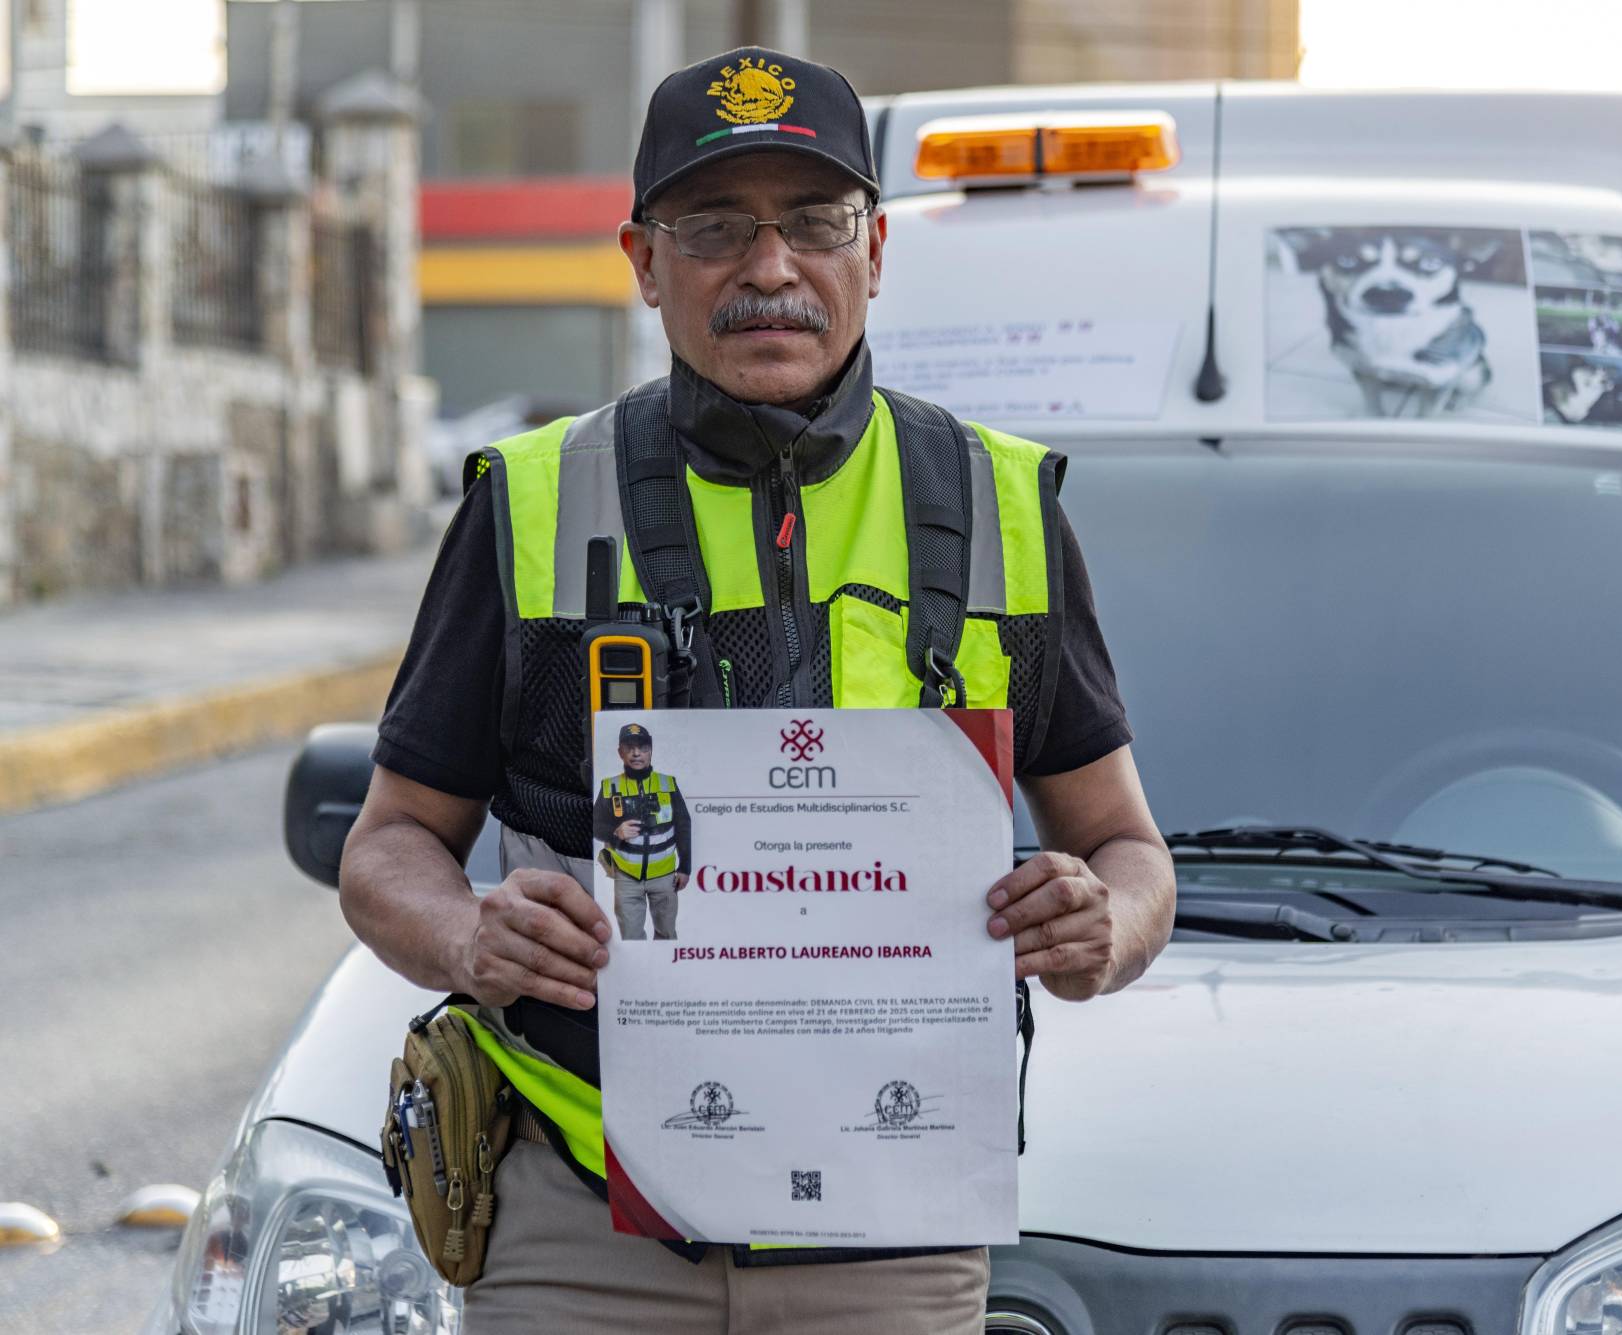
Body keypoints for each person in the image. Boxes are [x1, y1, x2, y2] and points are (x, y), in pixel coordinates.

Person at [339, 44, 1176, 1334]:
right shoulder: (529, 502)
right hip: (580, 1219)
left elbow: (1125, 850)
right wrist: (465, 936)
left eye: (813, 223)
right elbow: (390, 843)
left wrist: (1101, 927)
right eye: (716, 226)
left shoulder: (1001, 506)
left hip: (893, 1231)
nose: (769, 269)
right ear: (642, 261)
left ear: (876, 251)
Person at [593, 722, 690, 940]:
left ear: (651, 751)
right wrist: (615, 832)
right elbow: (595, 826)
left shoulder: (668, 784)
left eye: (643, 747)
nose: (637, 753)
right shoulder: (610, 787)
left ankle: (665, 975)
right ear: (621, 752)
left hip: (665, 877)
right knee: (631, 939)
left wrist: (685, 867)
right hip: (627, 877)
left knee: (666, 936)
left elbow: (684, 826)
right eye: (630, 747)